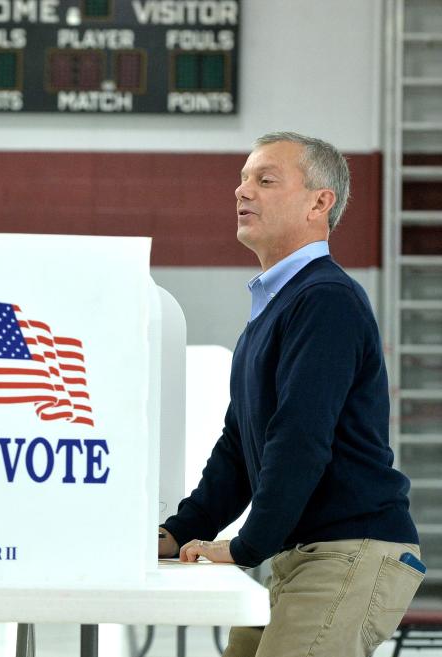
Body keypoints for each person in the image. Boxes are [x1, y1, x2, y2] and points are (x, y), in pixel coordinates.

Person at [158, 133, 423, 657]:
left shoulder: (325, 299)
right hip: (304, 556)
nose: (242, 190)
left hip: (351, 551)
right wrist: (179, 531)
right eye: (242, 178)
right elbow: (240, 444)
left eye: (265, 179)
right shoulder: (277, 306)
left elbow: (299, 437)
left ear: (319, 202)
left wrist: (246, 545)